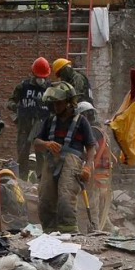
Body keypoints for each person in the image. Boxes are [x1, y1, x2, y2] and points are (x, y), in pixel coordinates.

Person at [33, 83, 94, 233]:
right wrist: (47, 144)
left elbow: (91, 147)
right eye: (54, 103)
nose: (56, 106)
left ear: (69, 102)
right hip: (51, 162)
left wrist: (88, 167)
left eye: (59, 103)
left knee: (66, 200)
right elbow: (36, 142)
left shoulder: (82, 122)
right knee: (45, 200)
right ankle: (49, 233)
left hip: (71, 163)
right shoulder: (49, 121)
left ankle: (69, 233)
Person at [8, 58, 52, 177]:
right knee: (22, 153)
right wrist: (16, 107)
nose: (41, 79)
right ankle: (22, 179)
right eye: (38, 76)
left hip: (42, 127)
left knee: (41, 154)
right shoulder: (23, 86)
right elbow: (10, 102)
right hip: (25, 125)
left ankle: (41, 179)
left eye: (43, 76)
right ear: (33, 73)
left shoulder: (50, 88)